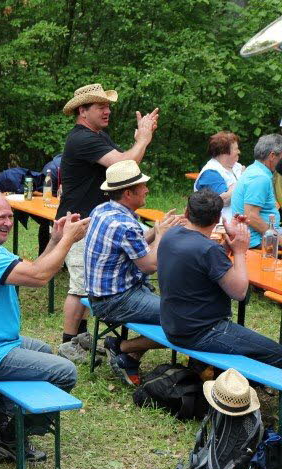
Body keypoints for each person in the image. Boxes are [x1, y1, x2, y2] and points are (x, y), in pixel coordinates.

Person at [0, 191, 87, 461]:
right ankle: (10, 439)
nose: (8, 223)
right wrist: (68, 240)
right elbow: (40, 276)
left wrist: (55, 240)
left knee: (43, 350)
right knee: (65, 372)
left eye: (10, 216)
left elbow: (32, 267)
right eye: (1, 217)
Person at [56, 83, 160, 362]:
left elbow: (127, 168)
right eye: (100, 106)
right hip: (78, 224)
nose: (107, 111)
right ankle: (68, 343)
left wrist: (140, 139)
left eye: (108, 106)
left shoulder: (97, 136)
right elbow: (124, 165)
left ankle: (82, 336)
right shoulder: (83, 139)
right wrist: (144, 139)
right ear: (82, 110)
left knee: (87, 284)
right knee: (79, 287)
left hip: (95, 222)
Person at [84, 160, 182, 386]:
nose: (147, 189)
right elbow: (150, 265)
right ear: (128, 193)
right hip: (114, 300)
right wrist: (161, 236)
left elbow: (132, 245)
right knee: (183, 318)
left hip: (105, 294)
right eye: (143, 186)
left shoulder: (103, 209)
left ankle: (129, 356)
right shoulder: (125, 224)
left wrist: (157, 231)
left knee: (175, 312)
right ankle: (121, 347)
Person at [159, 189, 282, 367]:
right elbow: (240, 292)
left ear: (187, 212)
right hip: (201, 332)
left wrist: (228, 242)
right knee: (277, 353)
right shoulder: (208, 249)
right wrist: (240, 251)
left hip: (173, 325)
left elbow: (204, 263)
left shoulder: (172, 234)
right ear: (218, 219)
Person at [231, 134, 282, 248]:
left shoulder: (254, 169)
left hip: (262, 234)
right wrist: (277, 238)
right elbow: (250, 216)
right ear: (272, 156)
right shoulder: (260, 177)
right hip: (257, 241)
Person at [193, 131, 244, 220]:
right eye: (236, 149)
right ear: (224, 152)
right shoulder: (210, 172)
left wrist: (233, 188)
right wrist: (244, 180)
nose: (239, 151)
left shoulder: (236, 166)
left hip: (238, 222)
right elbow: (224, 201)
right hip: (218, 226)